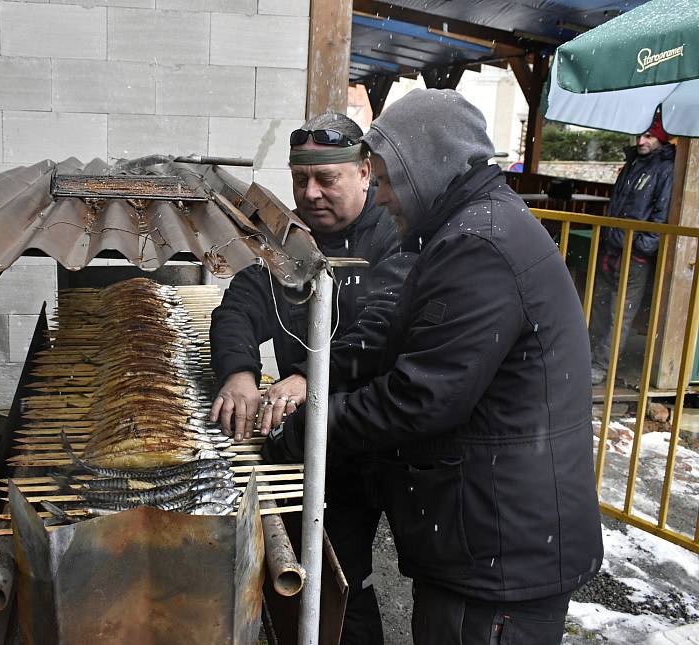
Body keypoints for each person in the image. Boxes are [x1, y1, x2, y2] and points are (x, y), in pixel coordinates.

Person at [263, 89, 604, 644]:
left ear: (428, 168)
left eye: (391, 180)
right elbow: (393, 331)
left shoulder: (480, 246)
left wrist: (305, 431)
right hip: (492, 532)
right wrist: (317, 377)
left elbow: (420, 397)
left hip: (498, 553)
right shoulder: (469, 229)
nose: (383, 195)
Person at [209, 112, 416, 644]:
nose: (312, 193)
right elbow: (240, 303)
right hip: (307, 431)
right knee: (310, 561)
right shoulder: (291, 239)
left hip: (366, 437)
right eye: (302, 180)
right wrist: (238, 372)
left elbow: (382, 329)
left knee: (343, 570)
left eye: (328, 179)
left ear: (365, 172)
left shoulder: (393, 236)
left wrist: (308, 377)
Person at [589, 113, 675, 385]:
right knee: (601, 307)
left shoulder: (665, 170)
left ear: (660, 139)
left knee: (620, 314)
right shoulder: (633, 164)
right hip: (613, 247)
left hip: (634, 254)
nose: (641, 141)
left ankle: (601, 366)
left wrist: (640, 246)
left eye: (648, 136)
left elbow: (661, 215)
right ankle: (590, 358)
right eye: (640, 135)